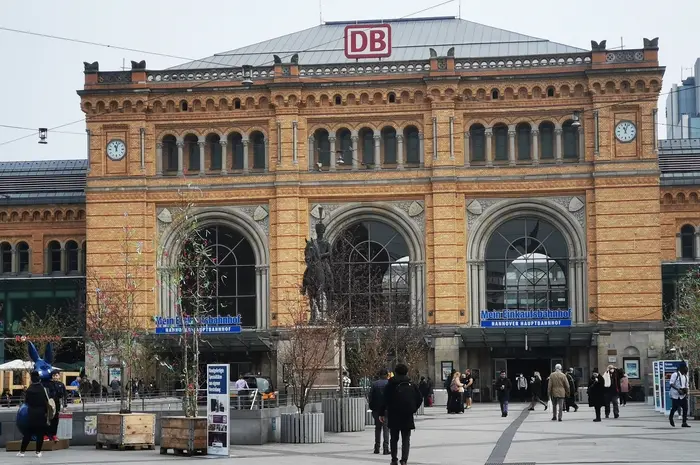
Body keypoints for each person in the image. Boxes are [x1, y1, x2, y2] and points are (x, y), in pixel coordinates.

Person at [380, 364, 422, 465]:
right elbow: (419, 398)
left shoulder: (390, 384)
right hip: (407, 415)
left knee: (394, 438)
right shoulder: (411, 383)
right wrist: (413, 408)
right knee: (406, 439)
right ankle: (404, 460)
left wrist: (382, 413)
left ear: (395, 372)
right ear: (406, 372)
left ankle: (394, 459)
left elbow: (384, 399)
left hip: (394, 414)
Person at [17, 371, 48, 457]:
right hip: (42, 413)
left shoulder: (29, 389)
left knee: (27, 433)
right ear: (39, 378)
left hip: (31, 413)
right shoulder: (43, 389)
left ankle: (22, 452)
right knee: (40, 434)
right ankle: (38, 452)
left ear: (31, 378)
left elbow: (26, 402)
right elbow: (47, 401)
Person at [368, 368, 390, 455]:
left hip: (376, 409)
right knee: (386, 429)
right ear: (387, 374)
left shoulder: (374, 384)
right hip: (386, 409)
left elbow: (370, 397)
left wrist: (372, 406)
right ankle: (386, 448)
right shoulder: (389, 384)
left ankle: (376, 447)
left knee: (377, 428)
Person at [668, 363, 691, 428]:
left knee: (685, 408)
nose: (686, 369)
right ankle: (671, 417)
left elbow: (687, 386)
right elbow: (671, 384)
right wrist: (678, 389)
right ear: (681, 368)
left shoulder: (686, 376)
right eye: (685, 367)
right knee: (675, 408)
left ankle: (684, 422)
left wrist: (686, 392)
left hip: (683, 395)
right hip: (675, 395)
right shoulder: (675, 375)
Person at [47, 371, 66, 441]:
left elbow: (64, 395)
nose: (55, 377)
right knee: (48, 419)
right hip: (50, 403)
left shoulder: (61, 385)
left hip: (57, 403)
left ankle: (54, 435)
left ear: (59, 376)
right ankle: (47, 435)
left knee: (56, 419)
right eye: (53, 375)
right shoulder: (49, 384)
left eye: (56, 375)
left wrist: (64, 406)